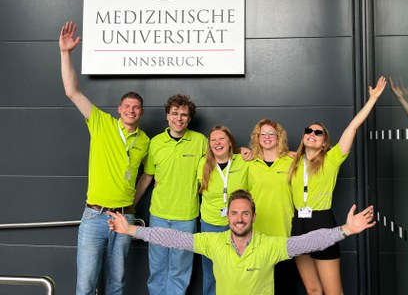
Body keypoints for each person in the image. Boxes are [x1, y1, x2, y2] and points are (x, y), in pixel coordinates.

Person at [107, 189, 376, 295]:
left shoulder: (270, 246)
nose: (239, 218)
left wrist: (344, 230)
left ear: (253, 217)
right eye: (234, 213)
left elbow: (308, 242)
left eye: (245, 213)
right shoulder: (213, 243)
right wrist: (131, 230)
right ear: (228, 217)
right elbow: (174, 238)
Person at [59, 21, 150, 295]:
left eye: (137, 107)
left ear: (141, 113)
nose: (131, 110)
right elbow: (72, 92)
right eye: (127, 106)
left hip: (125, 218)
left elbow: (146, 176)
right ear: (119, 109)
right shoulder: (101, 123)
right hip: (95, 216)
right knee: (86, 285)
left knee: (117, 284)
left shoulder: (145, 141)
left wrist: (131, 206)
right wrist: (65, 53)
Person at [288, 76, 387, 295]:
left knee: (333, 292)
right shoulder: (292, 161)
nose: (312, 135)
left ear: (325, 142)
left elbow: (352, 127)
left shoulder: (332, 159)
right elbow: (262, 149)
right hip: (298, 225)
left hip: (322, 222)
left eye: (318, 133)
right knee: (313, 290)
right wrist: (242, 152)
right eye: (309, 131)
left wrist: (372, 100)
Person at [134, 94, 207, 295]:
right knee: (157, 269)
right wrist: (132, 205)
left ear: (189, 118)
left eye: (184, 115)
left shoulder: (200, 141)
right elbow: (147, 177)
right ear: (167, 116)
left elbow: (220, 159)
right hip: (159, 215)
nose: (179, 118)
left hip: (186, 216)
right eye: (174, 113)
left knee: (179, 271)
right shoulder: (156, 143)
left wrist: (244, 151)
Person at [197, 125, 249, 295]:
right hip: (210, 226)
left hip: (237, 226)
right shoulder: (203, 164)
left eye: (222, 139)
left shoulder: (244, 161)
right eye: (213, 140)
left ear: (229, 142)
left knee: (239, 272)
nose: (217, 143)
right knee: (211, 274)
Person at [247, 119, 295, 291]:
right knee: (259, 286)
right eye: (263, 134)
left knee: (284, 284)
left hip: (284, 231)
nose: (267, 137)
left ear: (279, 137)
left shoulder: (291, 162)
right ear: (257, 138)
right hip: (257, 233)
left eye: (271, 134)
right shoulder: (249, 164)